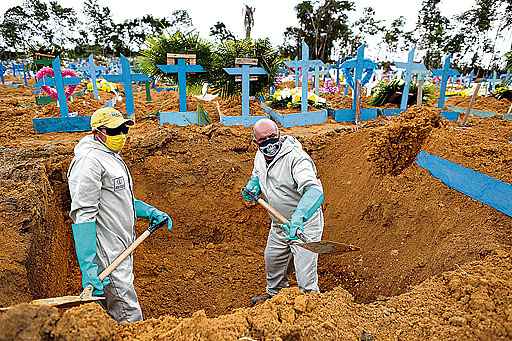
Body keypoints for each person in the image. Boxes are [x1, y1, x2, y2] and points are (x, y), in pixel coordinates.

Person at [67, 107, 172, 323]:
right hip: (107, 247)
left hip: (121, 241)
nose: (121, 135)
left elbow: (119, 198)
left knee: (112, 307)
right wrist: (88, 267)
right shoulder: (89, 161)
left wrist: (148, 211)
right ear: (99, 132)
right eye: (115, 131)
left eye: (124, 129)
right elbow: (83, 214)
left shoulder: (109, 155)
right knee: (127, 310)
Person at [242, 118, 324, 305]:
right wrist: (253, 186)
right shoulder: (260, 156)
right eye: (263, 140)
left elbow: (314, 191)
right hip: (279, 224)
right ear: (256, 143)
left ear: (279, 134)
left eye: (273, 137)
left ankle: (312, 306)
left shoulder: (297, 158)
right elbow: (257, 175)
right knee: (273, 261)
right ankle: (275, 297)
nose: (269, 143)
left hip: (304, 225)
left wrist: (299, 217)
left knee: (305, 275)